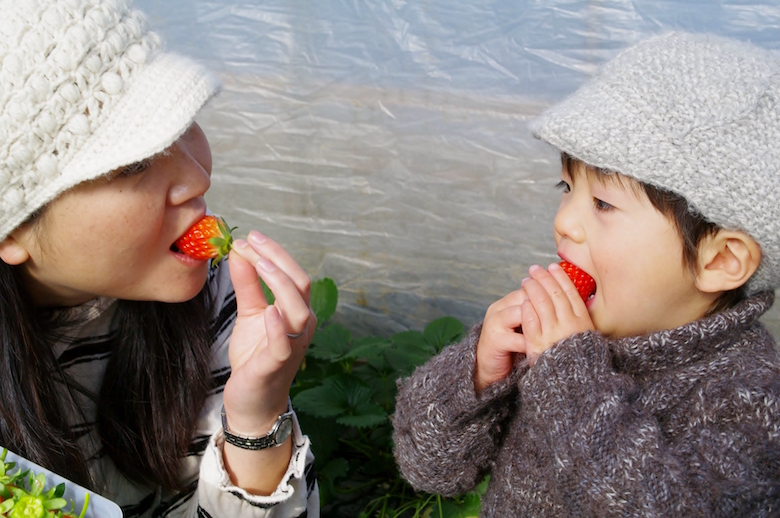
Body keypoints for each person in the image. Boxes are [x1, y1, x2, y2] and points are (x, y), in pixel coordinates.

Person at [392, 31, 780, 516]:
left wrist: (570, 378)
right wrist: (476, 373)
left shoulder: (750, 398)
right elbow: (427, 466)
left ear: (719, 260)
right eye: (566, 186)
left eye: (602, 202)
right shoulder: (557, 340)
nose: (563, 221)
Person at [0, 0, 318, 516]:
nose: (198, 177)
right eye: (134, 164)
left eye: (186, 122)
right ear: (13, 227)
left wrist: (255, 419)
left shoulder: (219, 302)